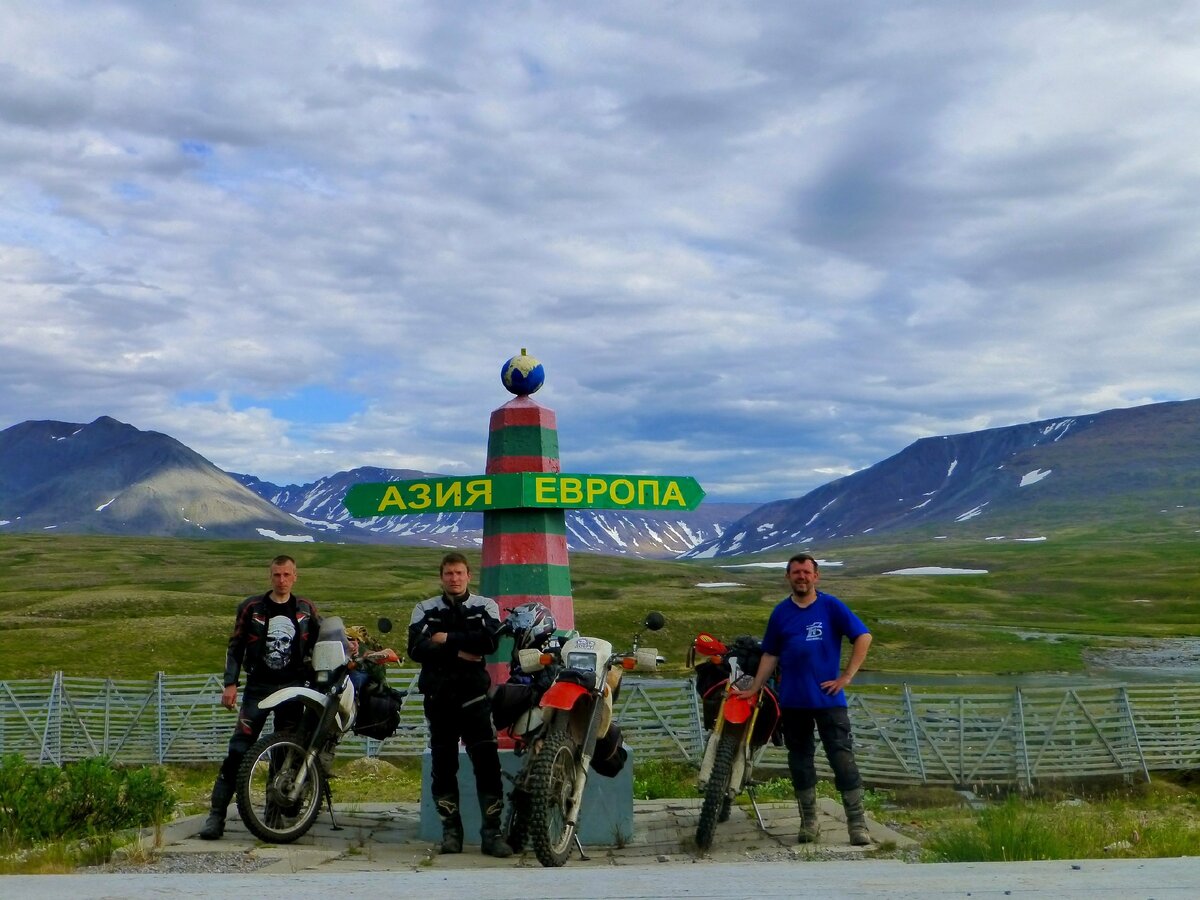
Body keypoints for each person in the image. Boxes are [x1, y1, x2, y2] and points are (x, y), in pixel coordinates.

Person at [733, 552, 873, 845]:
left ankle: (857, 824)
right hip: (793, 701)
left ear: (816, 576)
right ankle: (809, 822)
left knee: (842, 759)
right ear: (788, 576)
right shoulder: (780, 613)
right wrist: (756, 686)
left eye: (807, 572)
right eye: (796, 572)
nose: (802, 577)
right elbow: (770, 654)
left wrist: (846, 676)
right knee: (800, 762)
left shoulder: (831, 606)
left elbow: (863, 636)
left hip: (829, 700)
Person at [199, 554, 321, 840]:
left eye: (287, 575)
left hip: (293, 688)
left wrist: (348, 644)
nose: (282, 580)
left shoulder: (305, 609)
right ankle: (216, 815)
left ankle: (273, 815)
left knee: (284, 751)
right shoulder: (251, 608)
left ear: (295, 576)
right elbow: (235, 646)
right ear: (270, 576)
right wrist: (230, 683)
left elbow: (321, 639)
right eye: (277, 575)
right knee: (239, 749)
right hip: (258, 687)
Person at [407, 552, 512, 858]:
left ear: (469, 575)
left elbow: (489, 642)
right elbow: (416, 648)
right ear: (441, 577)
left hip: (475, 698)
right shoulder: (424, 608)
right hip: (439, 699)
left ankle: (492, 834)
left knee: (488, 765)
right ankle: (451, 834)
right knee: (443, 767)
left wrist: (446, 638)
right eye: (449, 573)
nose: (454, 578)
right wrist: (459, 652)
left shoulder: (486, 606)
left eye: (459, 573)